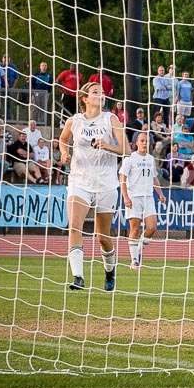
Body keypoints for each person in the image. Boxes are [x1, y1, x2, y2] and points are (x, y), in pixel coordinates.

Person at [59, 82, 129, 292]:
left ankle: (110, 271)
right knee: (75, 226)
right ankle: (78, 276)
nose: (101, 95)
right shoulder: (75, 121)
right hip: (79, 181)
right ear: (84, 98)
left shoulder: (111, 119)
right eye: (95, 92)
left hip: (106, 183)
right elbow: (63, 139)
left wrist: (106, 145)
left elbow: (126, 149)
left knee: (103, 237)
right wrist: (64, 152)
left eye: (102, 92)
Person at [119, 132, 166, 270]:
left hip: (149, 197)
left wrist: (160, 194)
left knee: (152, 227)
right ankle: (134, 261)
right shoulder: (130, 159)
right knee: (134, 228)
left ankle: (138, 249)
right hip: (134, 197)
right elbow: (122, 178)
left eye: (147, 141)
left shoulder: (151, 159)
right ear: (136, 143)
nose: (145, 143)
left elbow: (154, 178)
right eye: (142, 140)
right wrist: (125, 197)